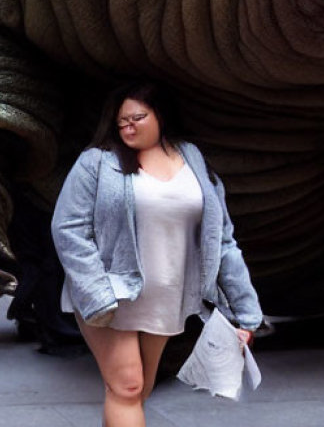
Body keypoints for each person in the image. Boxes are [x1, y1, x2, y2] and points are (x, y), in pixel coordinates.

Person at [51, 81, 263, 427]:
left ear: (161, 116)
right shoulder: (96, 163)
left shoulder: (194, 161)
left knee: (138, 389)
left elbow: (222, 240)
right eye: (121, 122)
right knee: (128, 385)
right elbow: (68, 229)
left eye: (137, 118)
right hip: (112, 295)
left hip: (167, 297)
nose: (127, 127)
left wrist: (246, 311)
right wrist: (96, 293)